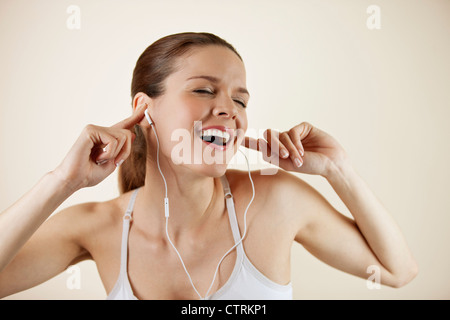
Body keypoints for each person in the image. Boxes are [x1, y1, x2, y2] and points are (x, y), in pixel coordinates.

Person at [0, 32, 417, 300]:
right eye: (204, 90)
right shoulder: (97, 227)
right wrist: (61, 182)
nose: (228, 110)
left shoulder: (275, 201)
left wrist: (338, 170)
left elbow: (397, 272)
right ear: (145, 109)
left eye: (240, 100)